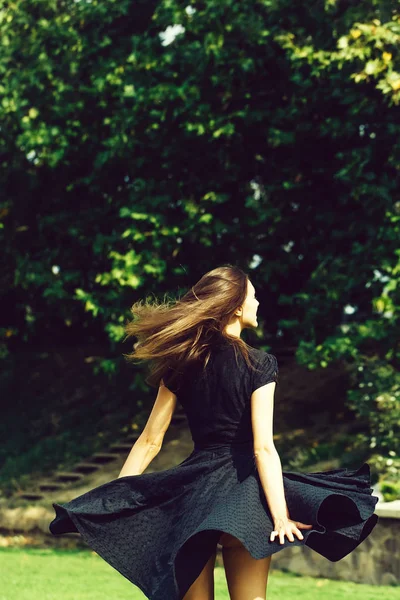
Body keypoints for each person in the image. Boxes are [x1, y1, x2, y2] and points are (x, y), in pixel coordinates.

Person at [49, 264, 379, 600]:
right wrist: (280, 517)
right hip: (245, 499)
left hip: (196, 498)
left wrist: (115, 502)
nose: (258, 303)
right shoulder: (259, 363)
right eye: (253, 296)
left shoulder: (181, 361)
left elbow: (150, 440)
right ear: (236, 306)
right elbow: (262, 448)